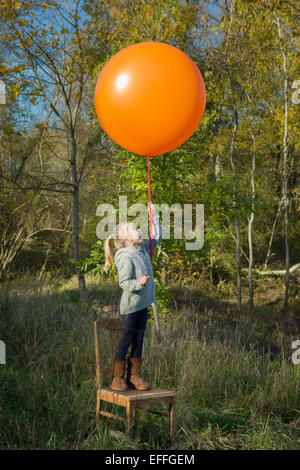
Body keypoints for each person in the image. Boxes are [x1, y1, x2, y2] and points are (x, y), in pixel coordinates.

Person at [104, 202, 162, 391]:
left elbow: (156, 236)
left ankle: (135, 376)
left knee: (139, 339)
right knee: (127, 338)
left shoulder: (143, 249)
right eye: (135, 229)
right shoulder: (124, 255)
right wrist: (139, 283)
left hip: (143, 304)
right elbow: (124, 282)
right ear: (127, 239)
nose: (139, 229)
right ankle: (117, 377)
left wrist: (153, 216)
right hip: (131, 306)